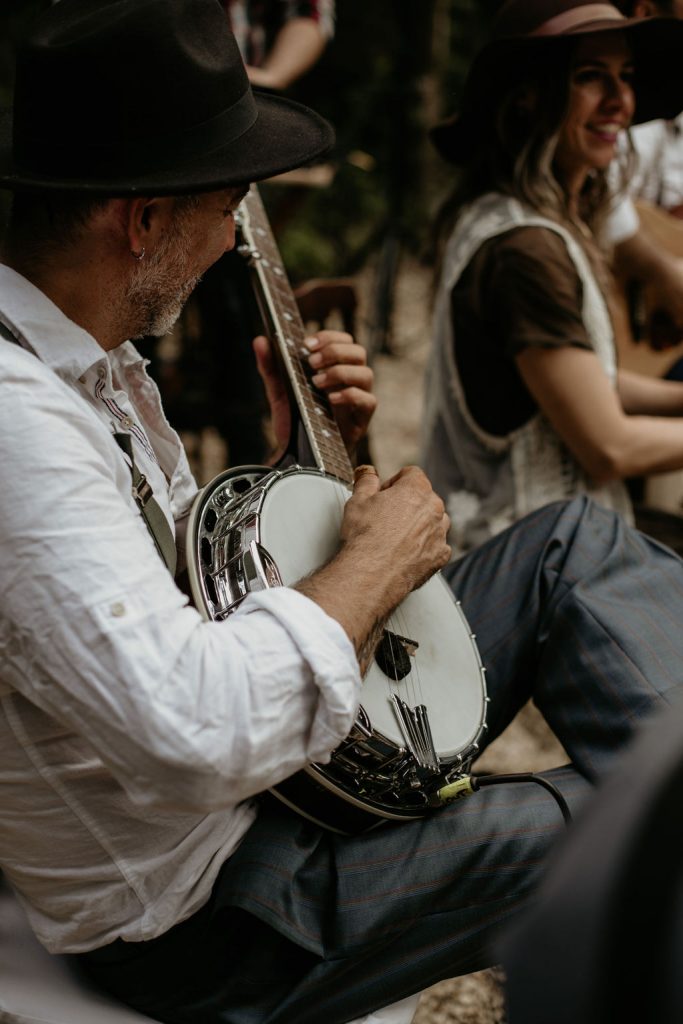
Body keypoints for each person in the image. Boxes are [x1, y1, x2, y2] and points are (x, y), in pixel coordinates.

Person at [2, 3, 683, 1024]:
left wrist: (296, 471)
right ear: (141, 220)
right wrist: (374, 560)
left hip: (275, 795)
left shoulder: (95, 374)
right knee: (602, 834)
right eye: (224, 204)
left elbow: (188, 600)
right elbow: (194, 726)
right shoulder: (20, 430)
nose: (232, 233)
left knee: (570, 547)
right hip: (210, 918)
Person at [421, 0, 683, 557]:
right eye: (590, 77)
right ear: (527, 95)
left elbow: (588, 384)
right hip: (526, 568)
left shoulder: (521, 222)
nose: (620, 101)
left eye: (627, 77)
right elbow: (608, 447)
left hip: (562, 544)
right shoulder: (525, 251)